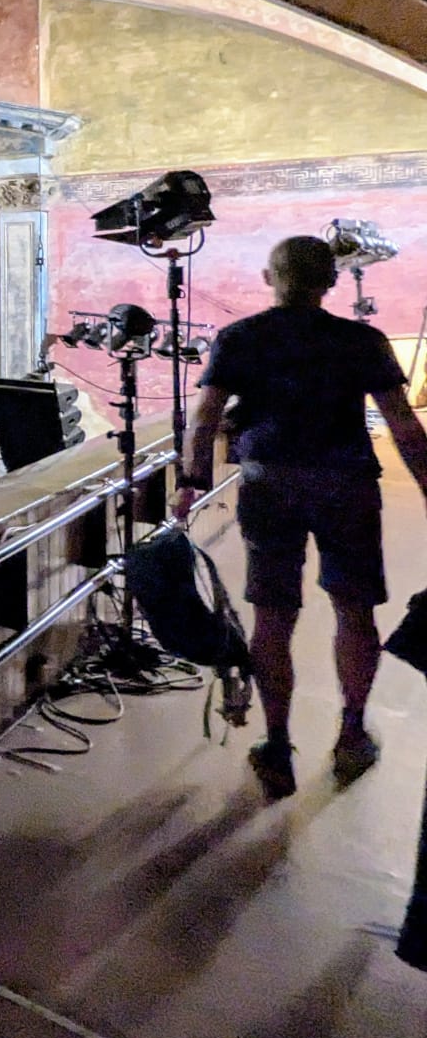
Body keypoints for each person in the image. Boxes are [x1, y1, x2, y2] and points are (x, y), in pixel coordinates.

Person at [175, 235, 427, 799]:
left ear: (270, 278)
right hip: (347, 485)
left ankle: (277, 745)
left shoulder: (239, 337)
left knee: (273, 616)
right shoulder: (362, 340)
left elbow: (204, 418)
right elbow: (404, 425)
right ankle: (352, 735)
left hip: (270, 484)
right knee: (354, 610)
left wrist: (190, 483)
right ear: (331, 281)